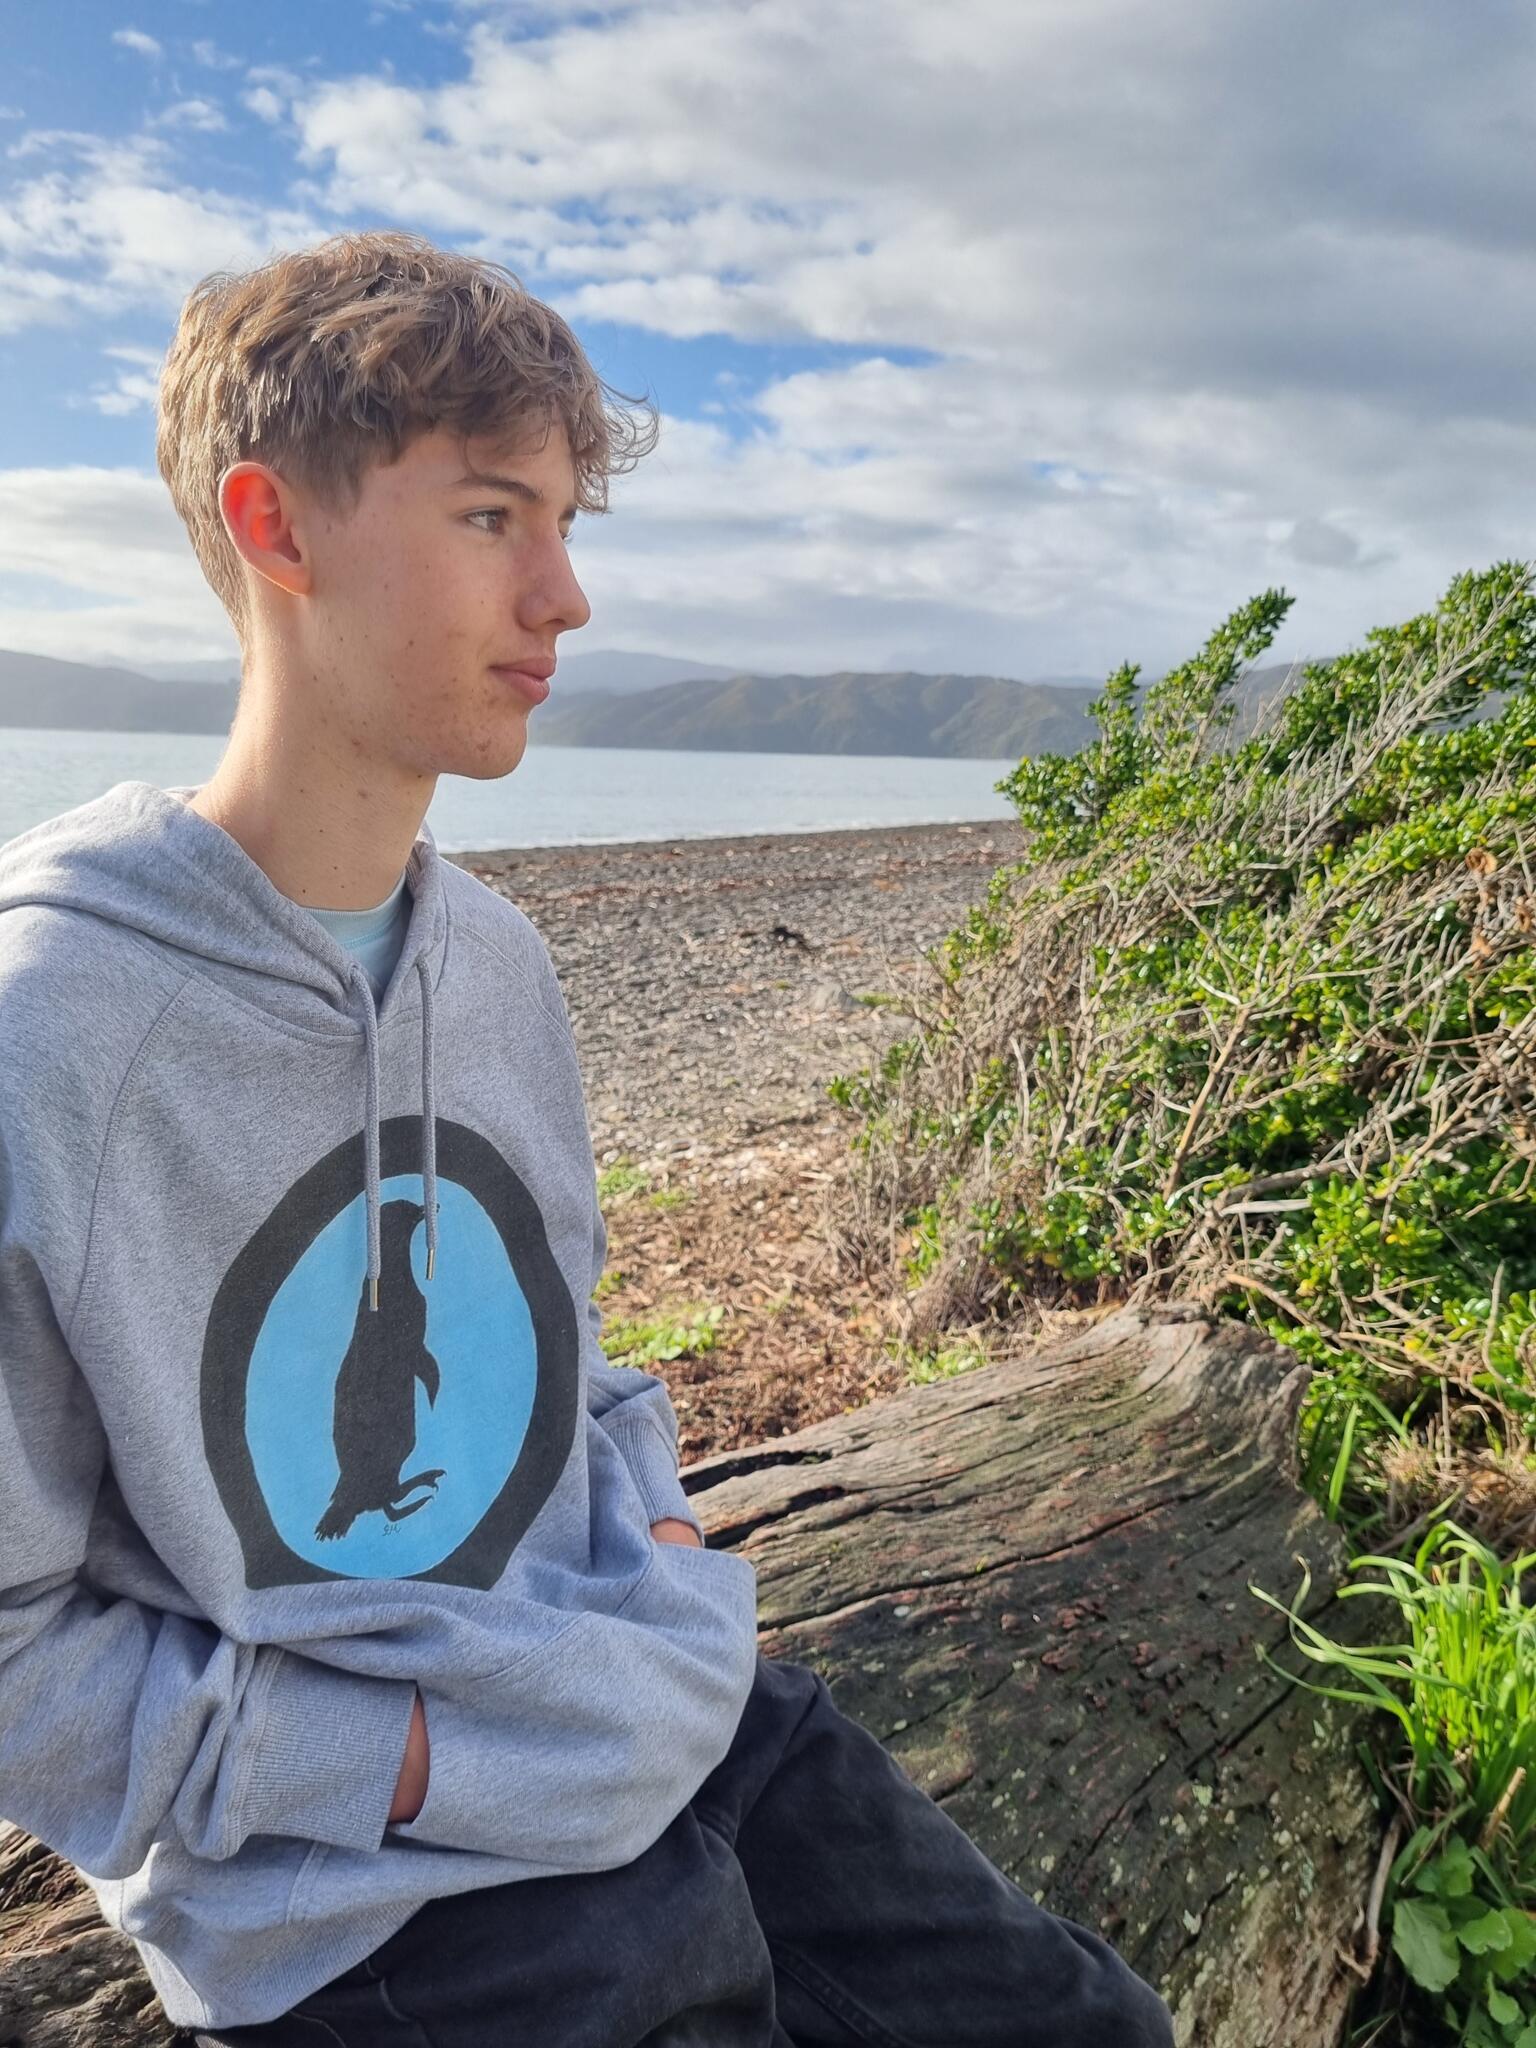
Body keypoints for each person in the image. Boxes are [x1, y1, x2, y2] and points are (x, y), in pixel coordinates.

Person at [0, 229, 1175, 2046]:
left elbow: (563, 1359)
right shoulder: (54, 1024)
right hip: (360, 1884)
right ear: (274, 525)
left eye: (563, 524)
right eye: (492, 517)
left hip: (644, 1700)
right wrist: (398, 1759)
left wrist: (664, 1539)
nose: (565, 597)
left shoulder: (496, 964)